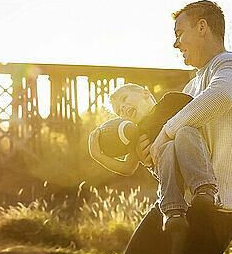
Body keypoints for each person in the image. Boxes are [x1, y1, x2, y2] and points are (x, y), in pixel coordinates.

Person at [113, 0, 232, 254]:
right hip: (175, 207)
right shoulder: (191, 86)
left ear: (203, 27)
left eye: (180, 33)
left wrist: (164, 132)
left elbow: (222, 96)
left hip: (213, 211)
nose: (175, 42)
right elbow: (175, 151)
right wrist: (151, 154)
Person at [88, 84, 220, 235]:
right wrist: (98, 155)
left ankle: (205, 189)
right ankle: (173, 211)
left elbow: (200, 111)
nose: (123, 108)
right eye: (118, 111)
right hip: (169, 172)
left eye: (125, 99)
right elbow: (127, 168)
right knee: (167, 148)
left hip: (194, 157)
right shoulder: (137, 134)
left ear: (145, 93)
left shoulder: (171, 101)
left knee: (185, 131)